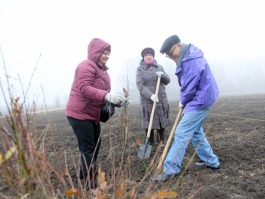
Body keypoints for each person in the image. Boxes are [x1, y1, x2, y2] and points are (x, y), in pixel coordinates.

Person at [154, 35, 220, 182]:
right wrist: (185, 101)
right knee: (195, 131)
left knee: (182, 132)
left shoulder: (191, 61)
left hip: (201, 99)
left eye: (172, 52)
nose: (171, 57)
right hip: (201, 96)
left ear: (179, 45)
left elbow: (189, 87)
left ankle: (170, 170)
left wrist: (183, 101)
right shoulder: (187, 56)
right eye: (168, 55)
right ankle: (211, 161)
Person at [65, 38, 127, 189]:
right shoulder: (85, 66)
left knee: (95, 145)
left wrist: (117, 101)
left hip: (93, 115)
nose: (107, 56)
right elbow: (84, 88)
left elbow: (104, 94)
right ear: (95, 52)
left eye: (108, 53)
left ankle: (83, 172)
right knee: (88, 148)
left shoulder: (103, 71)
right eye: (104, 53)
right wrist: (106, 95)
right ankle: (90, 183)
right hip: (79, 113)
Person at [136, 47, 171, 145]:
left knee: (161, 119)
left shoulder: (159, 67)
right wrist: (150, 95)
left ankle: (161, 141)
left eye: (150, 55)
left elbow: (167, 80)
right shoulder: (140, 69)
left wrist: (162, 76)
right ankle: (150, 142)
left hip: (161, 98)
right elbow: (140, 84)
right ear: (143, 57)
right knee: (148, 120)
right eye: (146, 55)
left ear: (153, 56)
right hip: (147, 100)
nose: (148, 57)